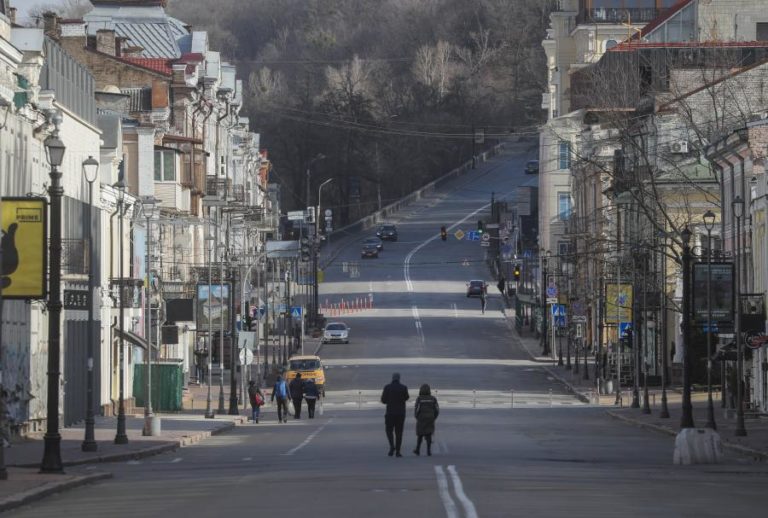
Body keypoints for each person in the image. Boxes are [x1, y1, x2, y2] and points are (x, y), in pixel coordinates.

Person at [381, 372, 409, 457]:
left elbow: (383, 400)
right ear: (399, 378)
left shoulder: (387, 387)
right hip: (400, 413)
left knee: (389, 430)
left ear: (392, 378)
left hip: (390, 413)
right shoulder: (403, 387)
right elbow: (407, 397)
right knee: (399, 432)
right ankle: (398, 451)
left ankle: (391, 445)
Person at [413, 384, 439, 456]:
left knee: (420, 434)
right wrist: (434, 417)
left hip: (421, 418)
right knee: (428, 434)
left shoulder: (419, 398)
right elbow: (437, 409)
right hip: (430, 418)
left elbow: (417, 409)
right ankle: (428, 451)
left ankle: (418, 449)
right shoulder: (433, 398)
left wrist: (416, 416)